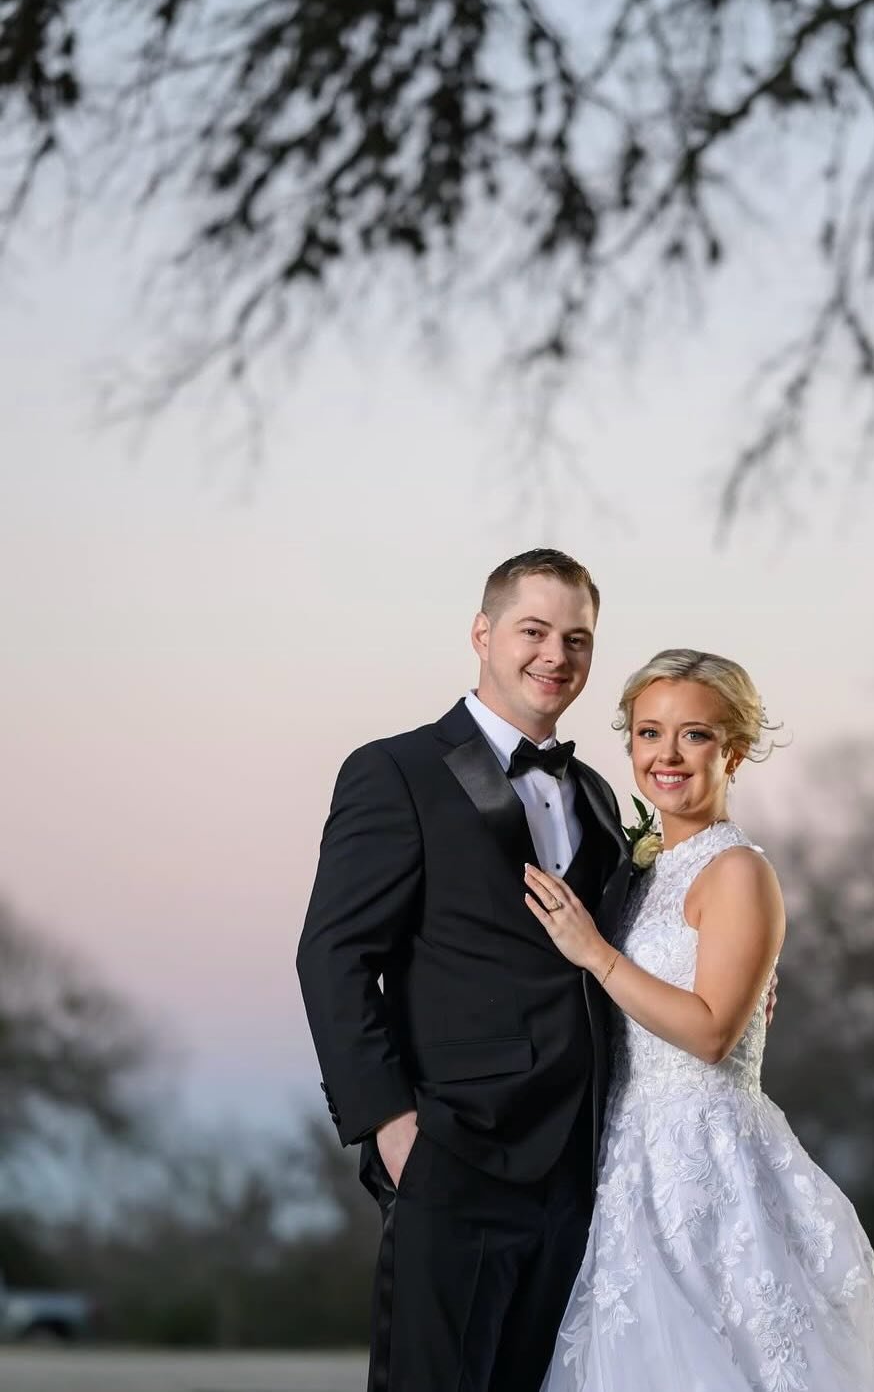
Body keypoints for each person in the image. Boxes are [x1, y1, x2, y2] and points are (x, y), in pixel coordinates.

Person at [528, 648, 874, 1392]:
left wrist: (595, 953)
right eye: (649, 733)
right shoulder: (642, 872)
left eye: (695, 734)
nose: (667, 755)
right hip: (628, 1158)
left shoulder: (740, 870)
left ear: (735, 750)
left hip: (706, 1163)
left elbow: (713, 1031)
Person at [296, 549, 633, 1392]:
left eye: (577, 639)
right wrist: (392, 1128)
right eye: (534, 630)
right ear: (483, 633)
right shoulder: (395, 771)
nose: (555, 655)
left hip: (578, 1172)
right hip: (456, 1155)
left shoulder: (597, 796)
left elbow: (616, 952)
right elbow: (333, 956)